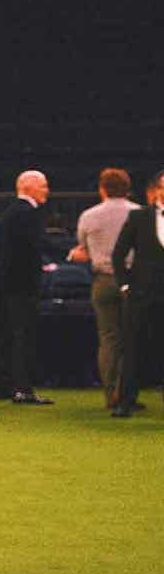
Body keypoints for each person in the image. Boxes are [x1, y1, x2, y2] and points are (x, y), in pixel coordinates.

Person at [68, 168, 140, 410]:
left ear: (102, 189)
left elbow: (83, 248)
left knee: (109, 339)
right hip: (133, 280)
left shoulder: (89, 216)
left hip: (103, 280)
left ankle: (111, 394)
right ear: (127, 188)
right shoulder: (139, 214)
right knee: (133, 338)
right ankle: (128, 393)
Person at [0, 169, 54, 404]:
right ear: (28, 186)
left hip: (7, 284)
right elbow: (33, 248)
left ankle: (3, 386)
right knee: (22, 337)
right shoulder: (28, 213)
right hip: (22, 286)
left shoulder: (10, 212)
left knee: (7, 336)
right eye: (43, 185)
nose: (47, 190)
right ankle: (22, 388)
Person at [110, 169, 164, 418]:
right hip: (142, 295)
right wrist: (125, 286)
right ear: (156, 190)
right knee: (133, 349)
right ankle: (125, 402)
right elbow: (118, 255)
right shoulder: (138, 217)